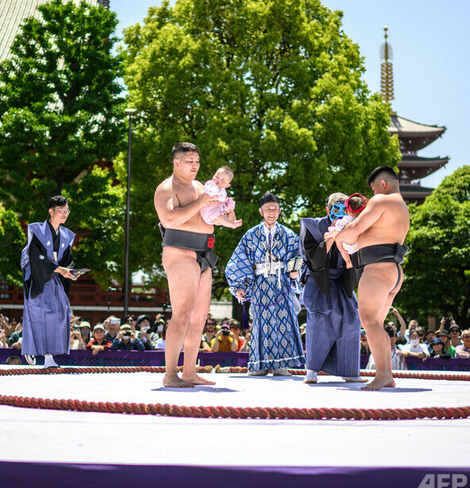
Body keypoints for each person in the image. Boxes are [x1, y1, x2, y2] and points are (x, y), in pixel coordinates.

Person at [328, 166, 410, 390]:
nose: (372, 195)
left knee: (370, 321)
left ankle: (383, 374)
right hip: (393, 270)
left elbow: (355, 228)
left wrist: (339, 239)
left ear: (382, 184)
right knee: (377, 323)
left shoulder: (382, 200)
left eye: (373, 189)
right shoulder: (402, 206)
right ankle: (387, 374)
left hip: (377, 269)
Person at [153, 142, 219, 387]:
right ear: (176, 162)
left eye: (197, 161)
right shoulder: (166, 188)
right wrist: (201, 203)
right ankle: (170, 374)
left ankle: (190, 371)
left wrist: (227, 217)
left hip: (205, 252)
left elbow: (210, 215)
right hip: (180, 251)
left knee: (200, 316)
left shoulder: (201, 187)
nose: (195, 166)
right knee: (182, 314)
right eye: (190, 161)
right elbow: (169, 219)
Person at [226, 192, 304, 377]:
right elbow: (239, 260)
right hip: (260, 284)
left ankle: (281, 366)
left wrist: (296, 271)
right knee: (261, 324)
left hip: (281, 282)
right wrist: (240, 285)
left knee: (284, 322)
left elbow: (299, 256)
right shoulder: (250, 235)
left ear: (279, 211)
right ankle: (259, 364)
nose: (272, 212)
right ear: (261, 211)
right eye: (268, 209)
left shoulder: (289, 235)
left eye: (275, 209)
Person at [299, 192, 364, 384]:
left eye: (343, 207)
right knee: (320, 318)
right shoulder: (312, 226)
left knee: (352, 318)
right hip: (318, 280)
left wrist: (347, 232)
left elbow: (356, 255)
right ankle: (311, 370)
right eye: (336, 207)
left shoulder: (352, 224)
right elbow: (312, 258)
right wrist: (331, 236)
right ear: (328, 209)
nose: (340, 210)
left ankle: (349, 371)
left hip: (341, 281)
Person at [20, 195, 79, 368]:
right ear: (51, 211)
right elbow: (36, 258)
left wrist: (70, 272)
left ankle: (49, 356)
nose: (65, 214)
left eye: (67, 210)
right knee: (39, 317)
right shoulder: (37, 230)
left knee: (60, 314)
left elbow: (67, 260)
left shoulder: (67, 235)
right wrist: (61, 269)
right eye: (61, 211)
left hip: (55, 281)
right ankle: (36, 352)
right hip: (38, 279)